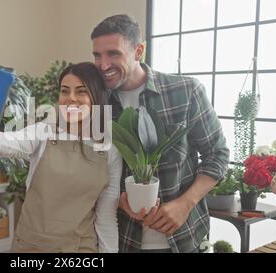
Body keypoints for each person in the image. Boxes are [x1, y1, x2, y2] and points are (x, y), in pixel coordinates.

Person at [0, 62, 121, 253]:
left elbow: (106, 217)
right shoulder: (44, 131)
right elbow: (7, 141)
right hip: (32, 246)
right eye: (65, 91)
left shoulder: (110, 150)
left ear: (96, 96)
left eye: (81, 91)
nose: (71, 99)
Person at [90, 14, 230, 253]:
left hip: (183, 238)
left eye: (113, 53)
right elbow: (93, 168)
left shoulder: (185, 92)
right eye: (97, 55)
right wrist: (119, 199)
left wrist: (186, 203)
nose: (103, 65)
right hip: (123, 241)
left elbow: (218, 155)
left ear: (138, 51)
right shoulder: (97, 104)